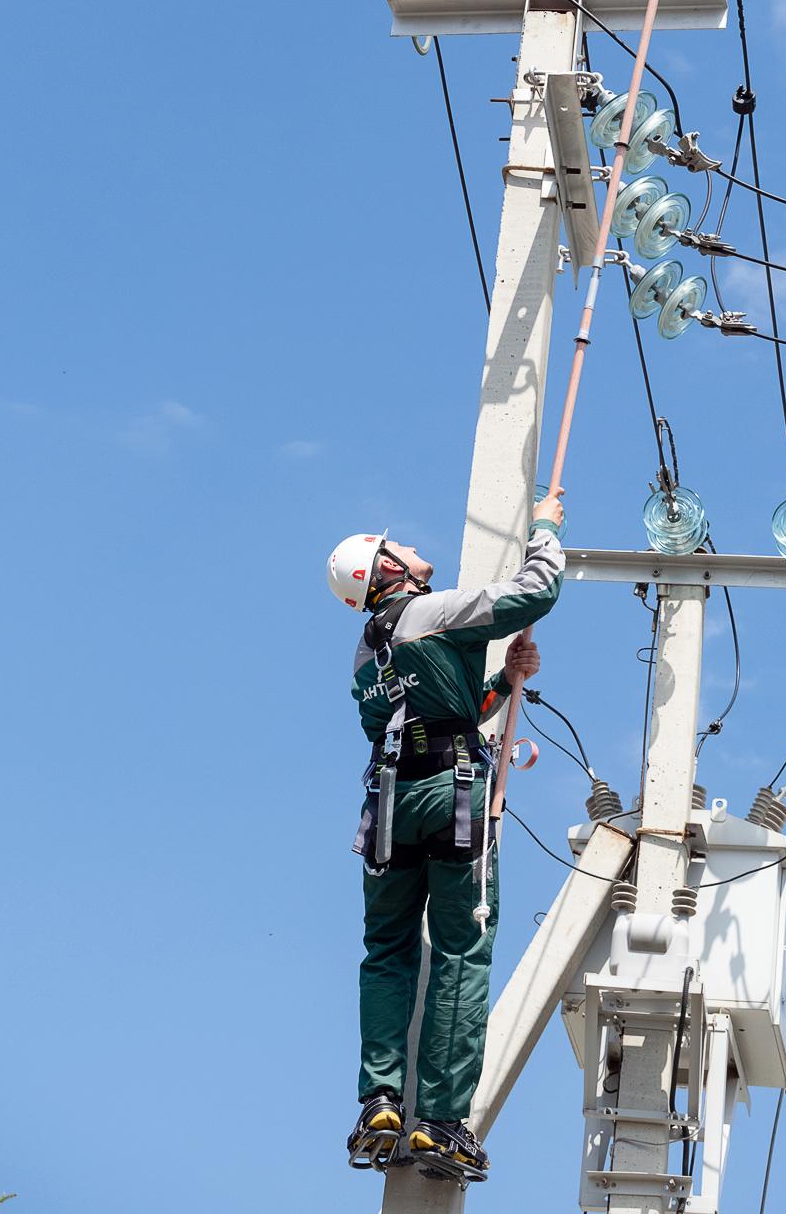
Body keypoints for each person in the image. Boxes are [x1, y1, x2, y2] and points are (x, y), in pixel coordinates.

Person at [326, 490, 565, 1186]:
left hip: (388, 808)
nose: (410, 547)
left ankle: (380, 1102)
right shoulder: (433, 611)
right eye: (396, 546)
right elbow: (534, 592)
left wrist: (503, 682)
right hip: (451, 795)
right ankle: (439, 1121)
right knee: (461, 950)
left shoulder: (365, 656)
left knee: (387, 951)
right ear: (387, 568)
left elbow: (430, 713)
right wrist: (545, 528)